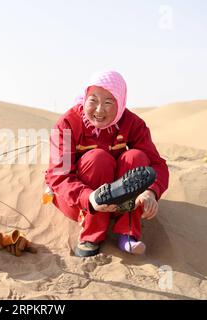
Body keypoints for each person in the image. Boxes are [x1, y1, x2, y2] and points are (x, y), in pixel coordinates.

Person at [45, 70, 169, 257]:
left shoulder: (132, 123)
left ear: (120, 103)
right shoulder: (67, 124)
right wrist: (90, 198)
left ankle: (127, 233)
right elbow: (59, 175)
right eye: (93, 100)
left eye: (109, 102)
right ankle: (91, 236)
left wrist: (150, 191)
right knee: (98, 158)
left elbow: (157, 165)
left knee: (136, 157)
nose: (99, 110)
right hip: (78, 201)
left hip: (119, 203)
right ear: (84, 97)